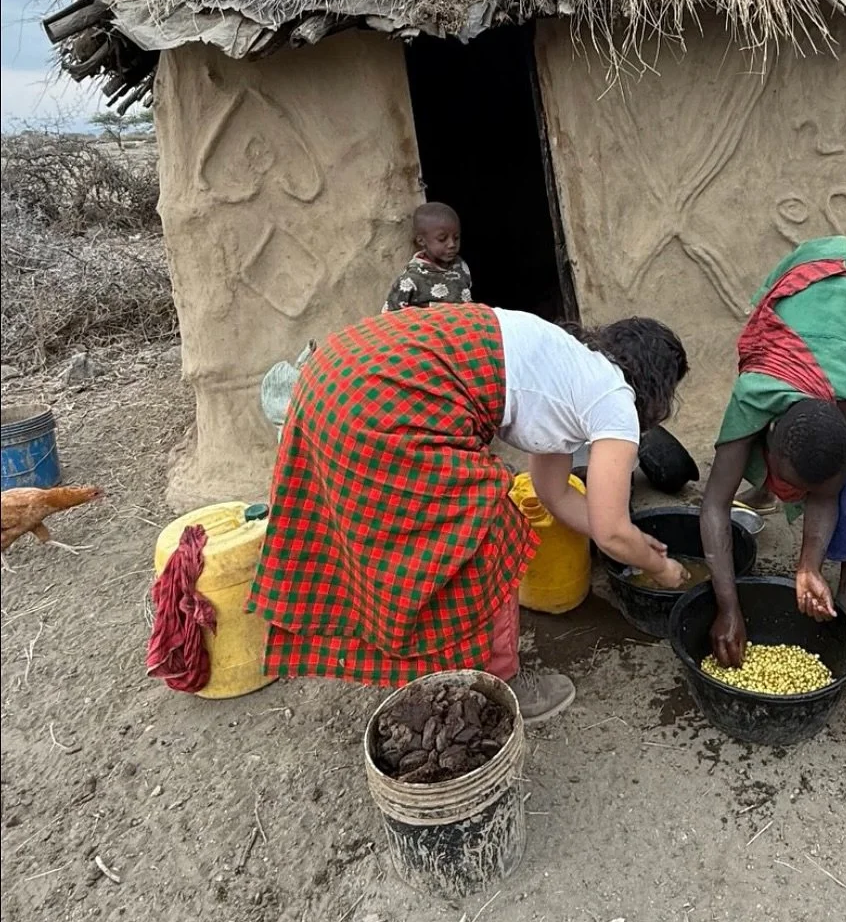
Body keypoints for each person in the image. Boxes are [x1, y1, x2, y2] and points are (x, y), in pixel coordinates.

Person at [247, 304, 689, 722]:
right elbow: (611, 531)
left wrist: (636, 545)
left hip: (335, 372)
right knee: (489, 532)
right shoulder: (614, 399)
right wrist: (661, 568)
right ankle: (500, 681)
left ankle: (431, 657)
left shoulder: (568, 367)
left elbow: (553, 493)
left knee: (406, 535)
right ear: (656, 389)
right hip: (381, 396)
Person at [700, 237, 846, 665]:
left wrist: (809, 566)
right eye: (788, 483)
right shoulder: (755, 393)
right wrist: (728, 608)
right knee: (755, 458)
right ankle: (766, 491)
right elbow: (713, 506)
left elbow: (826, 492)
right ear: (767, 429)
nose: (800, 494)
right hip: (816, 270)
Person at [384, 202, 473, 311]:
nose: (452, 244)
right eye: (442, 239)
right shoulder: (411, 279)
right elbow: (390, 316)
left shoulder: (461, 266)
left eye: (456, 238)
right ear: (421, 240)